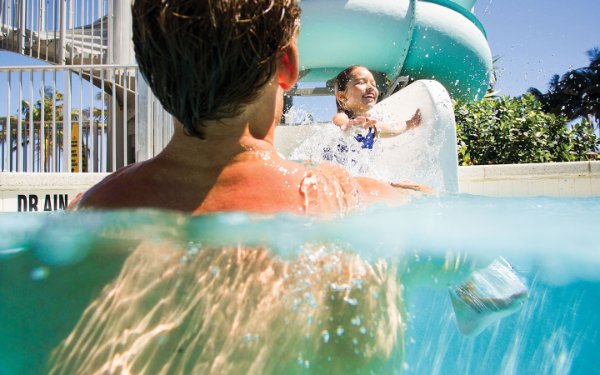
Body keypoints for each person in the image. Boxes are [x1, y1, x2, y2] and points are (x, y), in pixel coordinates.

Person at [72, 4, 429, 215]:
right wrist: (394, 191)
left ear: (152, 71)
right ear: (287, 66)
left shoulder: (91, 207)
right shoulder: (334, 195)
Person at [332, 65, 421, 150]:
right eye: (361, 82)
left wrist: (411, 123)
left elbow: (393, 129)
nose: (370, 87)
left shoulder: (371, 125)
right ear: (342, 96)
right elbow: (340, 121)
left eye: (373, 84)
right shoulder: (342, 117)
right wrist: (347, 126)